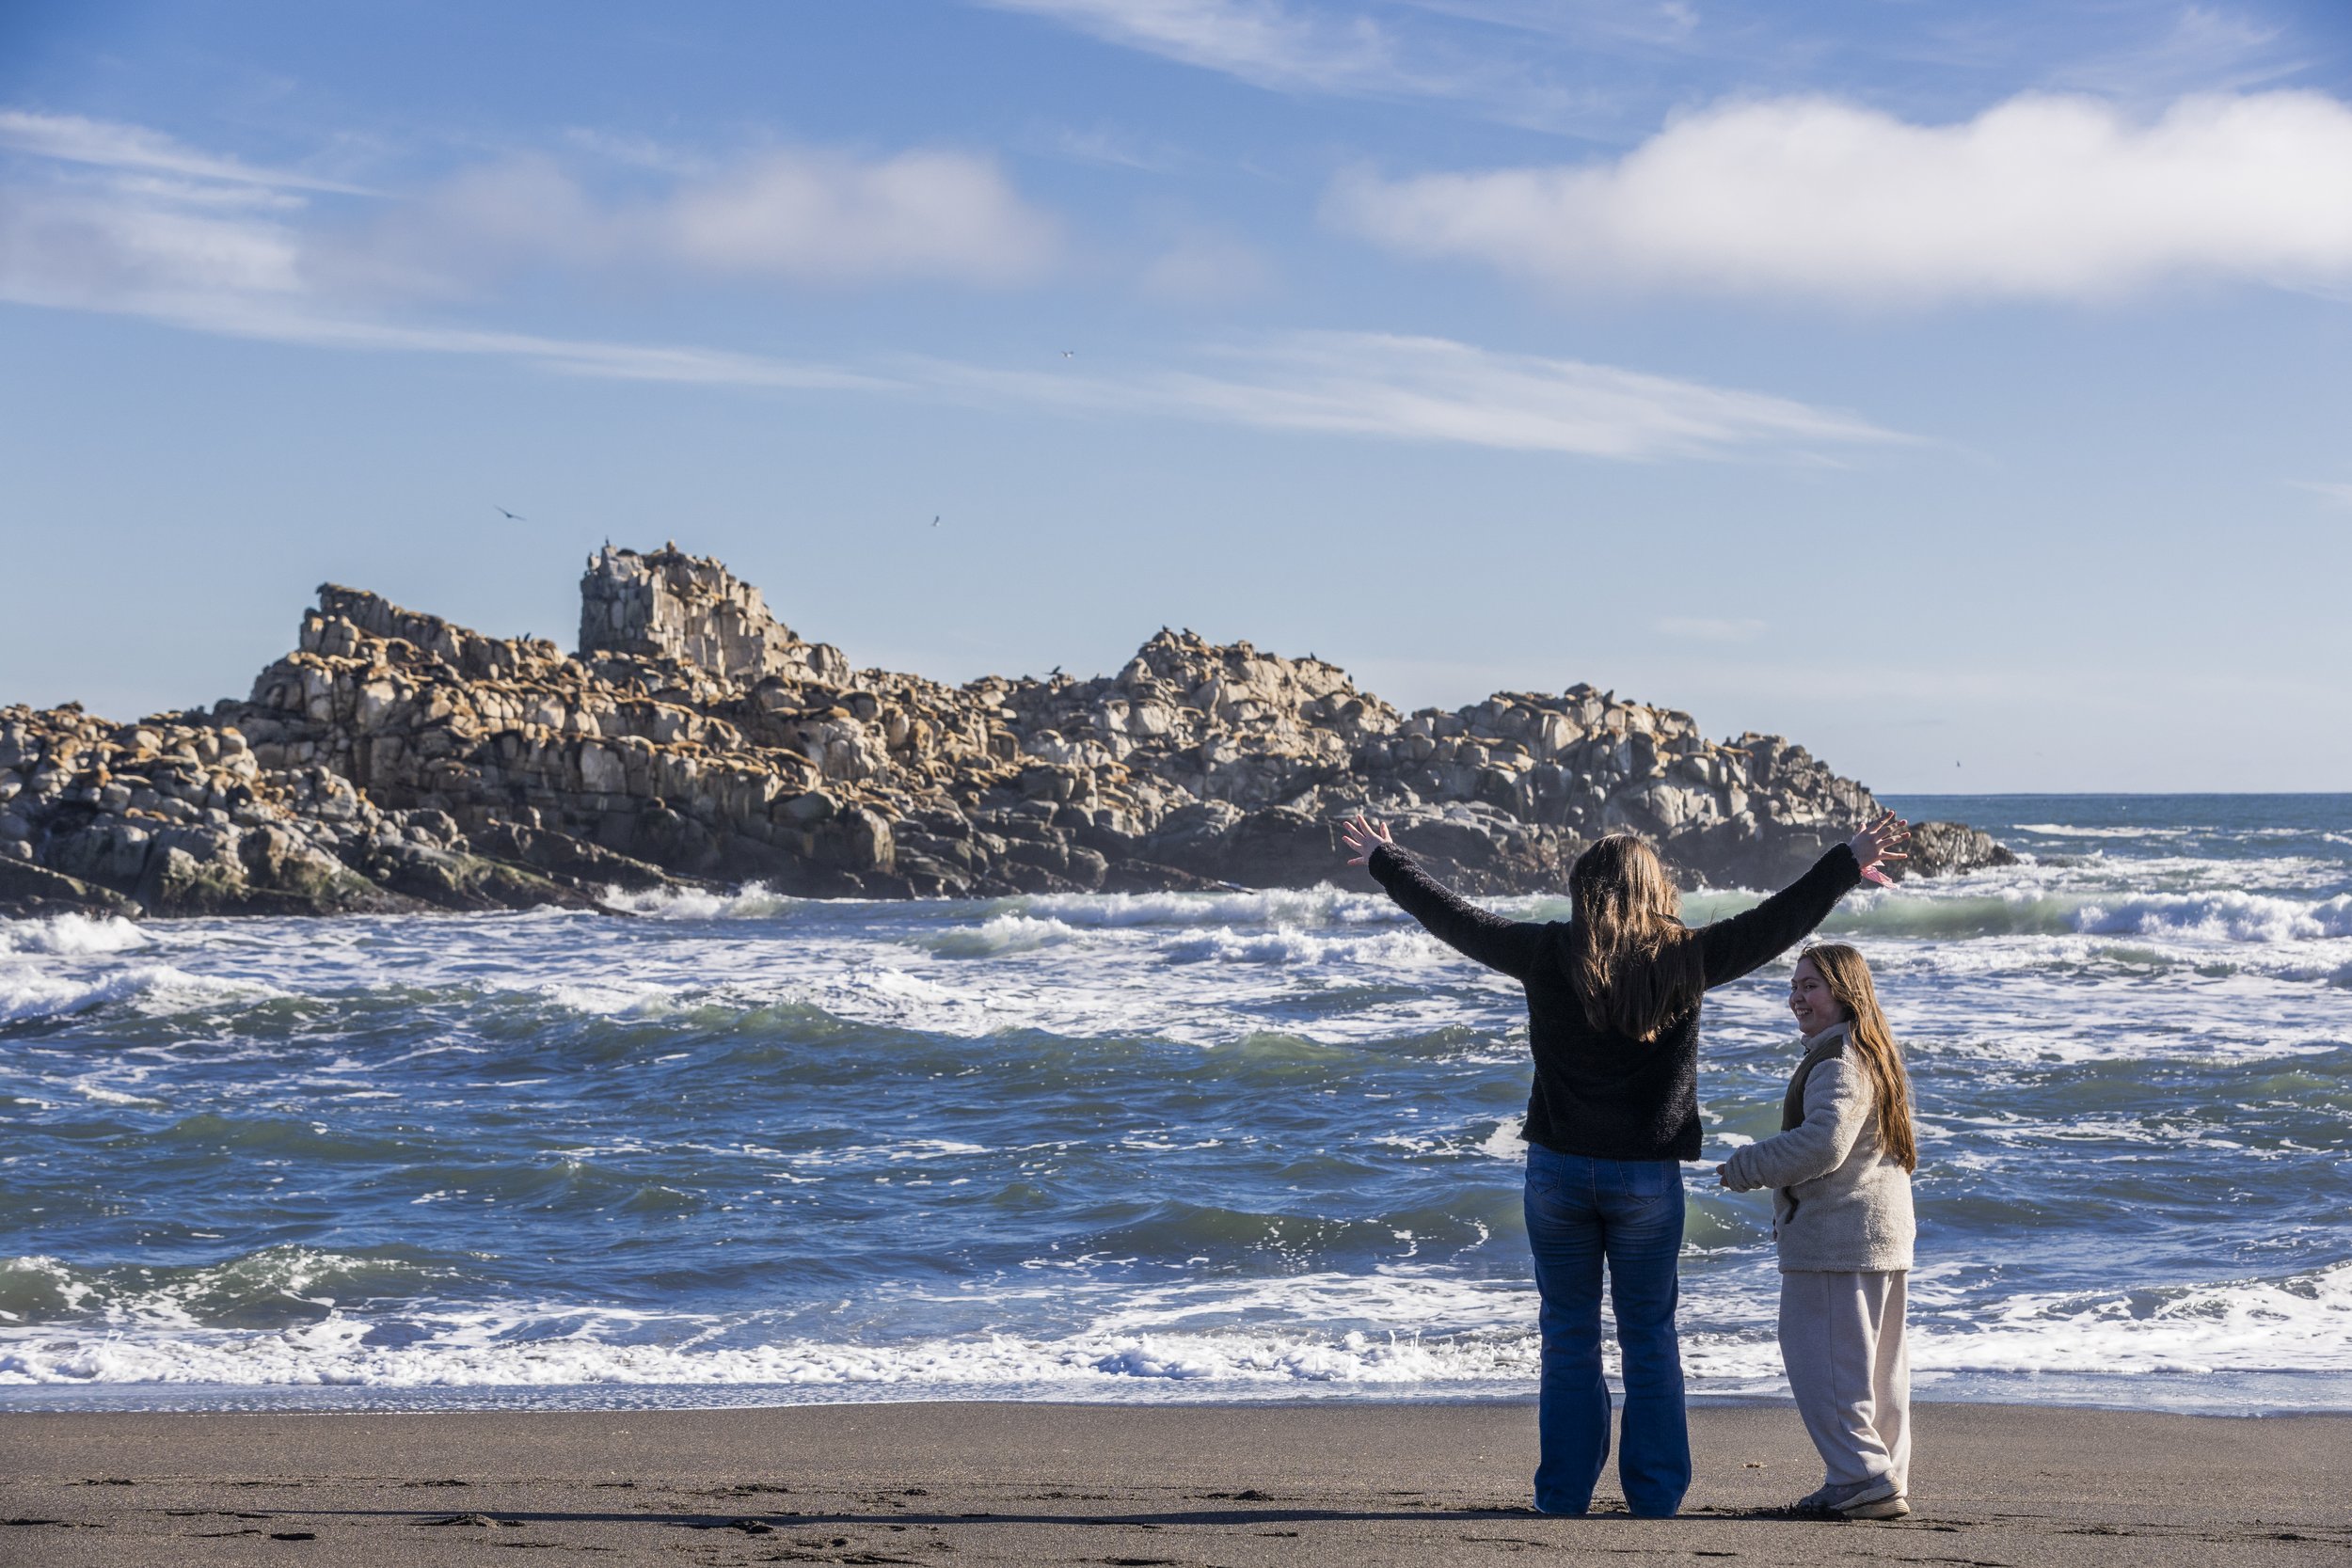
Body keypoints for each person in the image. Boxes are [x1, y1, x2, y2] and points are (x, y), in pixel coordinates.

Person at [1339, 810, 1909, 1519]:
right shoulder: (1686, 955)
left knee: (1568, 1334)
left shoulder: (1547, 951)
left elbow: (1458, 919)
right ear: (1654, 888)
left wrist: (1390, 862)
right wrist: (1845, 861)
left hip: (1556, 1175)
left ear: (1582, 890)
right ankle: (1655, 1495)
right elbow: (1776, 923)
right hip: (1645, 1179)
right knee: (1649, 1337)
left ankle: (1563, 1495)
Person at [1716, 942, 1917, 1520]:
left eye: (1811, 986)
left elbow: (1824, 1143)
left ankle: (1861, 1478)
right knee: (1878, 1376)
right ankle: (1880, 1480)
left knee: (1824, 1368)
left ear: (1844, 993)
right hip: (1881, 1233)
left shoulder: (1838, 1060)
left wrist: (1748, 1165)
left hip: (1839, 1237)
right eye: (1795, 985)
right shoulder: (1873, 1053)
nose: (1797, 997)